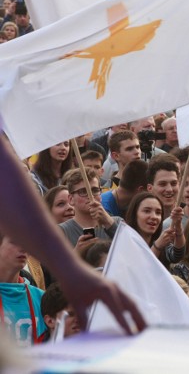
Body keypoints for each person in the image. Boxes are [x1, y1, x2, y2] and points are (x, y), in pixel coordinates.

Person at [0, 135, 145, 337]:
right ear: (71, 198)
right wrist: (75, 256)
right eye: (83, 192)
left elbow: (138, 257)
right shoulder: (58, 233)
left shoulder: (117, 224)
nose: (91, 195)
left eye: (95, 190)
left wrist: (109, 222)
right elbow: (51, 286)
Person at [125, 192, 184, 266]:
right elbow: (140, 270)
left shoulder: (162, 243)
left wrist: (178, 225)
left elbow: (177, 255)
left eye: (158, 212)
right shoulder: (124, 244)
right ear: (134, 214)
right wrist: (157, 246)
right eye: (147, 211)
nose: (154, 216)